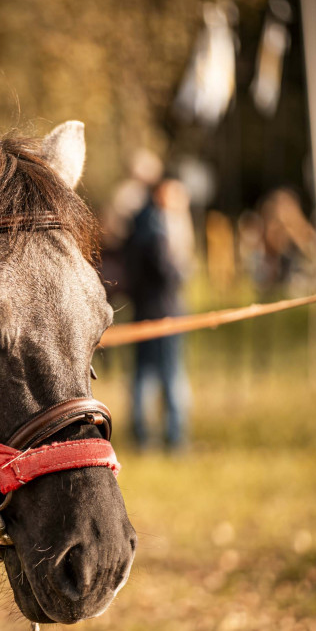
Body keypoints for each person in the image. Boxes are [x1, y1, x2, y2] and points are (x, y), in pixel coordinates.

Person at [123, 178, 193, 452]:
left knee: (144, 374)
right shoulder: (156, 227)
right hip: (164, 310)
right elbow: (168, 271)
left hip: (145, 308)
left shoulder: (140, 223)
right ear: (162, 194)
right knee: (170, 374)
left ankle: (143, 435)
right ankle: (176, 438)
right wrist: (183, 271)